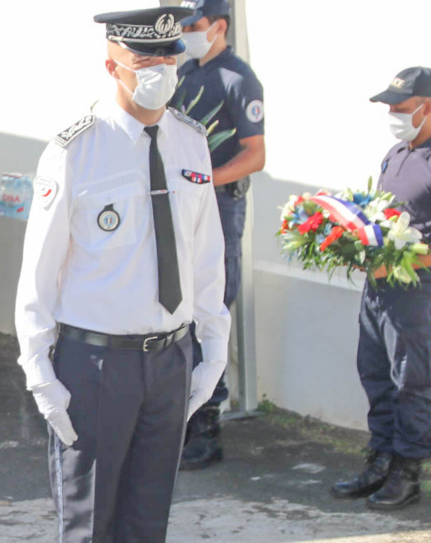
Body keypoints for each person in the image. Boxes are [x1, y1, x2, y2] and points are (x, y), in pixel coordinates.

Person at [14, 6, 231, 542]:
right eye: (144, 59)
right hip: (96, 366)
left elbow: (206, 256)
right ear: (113, 66)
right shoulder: (74, 150)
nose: (160, 68)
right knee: (90, 526)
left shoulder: (190, 141)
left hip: (170, 362)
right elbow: (37, 275)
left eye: (169, 55)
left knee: (146, 525)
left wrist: (213, 349)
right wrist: (40, 372)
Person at [331, 67, 431, 510]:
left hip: (416, 289)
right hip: (380, 288)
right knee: (375, 374)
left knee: (413, 380)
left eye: (399, 106)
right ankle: (381, 460)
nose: (391, 113)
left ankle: (408, 473)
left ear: (426, 107)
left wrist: (405, 265)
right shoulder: (396, 153)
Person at [169, 0, 266, 470]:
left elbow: (254, 155)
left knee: (211, 307)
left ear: (220, 26)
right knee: (181, 310)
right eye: (184, 25)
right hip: (183, 209)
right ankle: (183, 418)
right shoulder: (185, 75)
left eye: (196, 25)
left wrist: (208, 181)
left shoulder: (237, 78)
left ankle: (207, 424)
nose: (188, 32)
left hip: (220, 208)